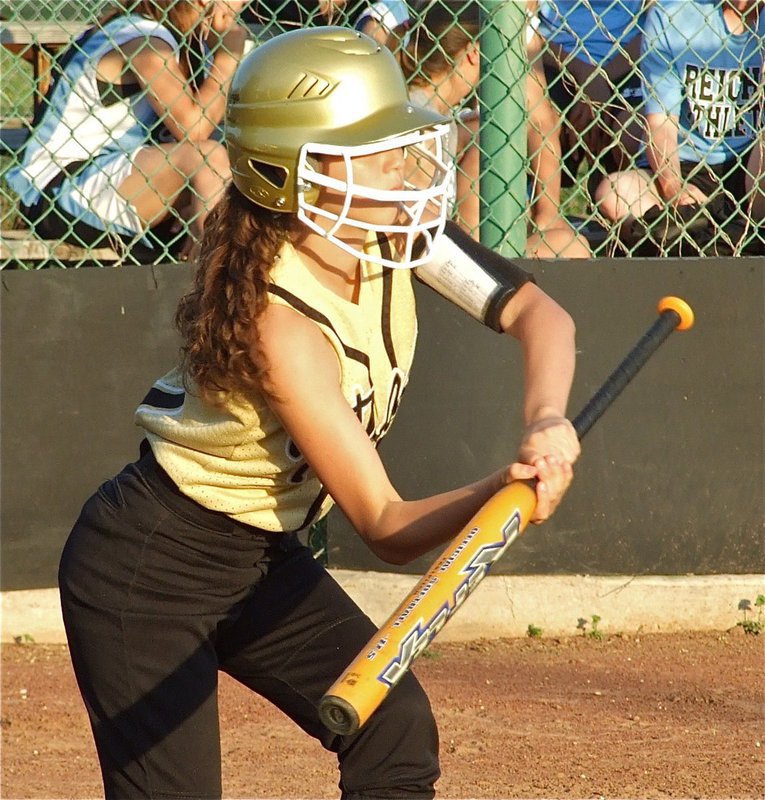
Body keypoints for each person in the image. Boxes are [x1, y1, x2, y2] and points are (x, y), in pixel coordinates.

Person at [58, 26, 580, 799]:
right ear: (295, 173)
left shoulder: (394, 229)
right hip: (151, 568)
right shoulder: (282, 322)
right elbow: (383, 521)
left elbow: (543, 317)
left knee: (392, 726)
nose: (402, 167)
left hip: (260, 557)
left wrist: (542, 420)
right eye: (374, 150)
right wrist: (504, 486)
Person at [6, 1, 247, 263]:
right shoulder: (144, 40)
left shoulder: (188, 42)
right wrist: (227, 59)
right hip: (61, 186)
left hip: (118, 178)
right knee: (208, 160)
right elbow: (194, 129)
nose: (244, 4)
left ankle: (210, 275)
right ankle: (212, 289)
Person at [398, 0, 590, 257]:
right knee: (571, 246)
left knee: (564, 240)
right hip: (443, 263)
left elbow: (540, 121)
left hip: (453, 251)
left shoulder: (432, 109)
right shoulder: (423, 128)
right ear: (475, 52)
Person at [594, 0, 765, 256]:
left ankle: (685, 239)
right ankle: (710, 239)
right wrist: (674, 186)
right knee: (614, 192)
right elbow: (660, 121)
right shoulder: (672, 15)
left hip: (753, 164)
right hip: (687, 166)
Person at [533, 0, 648, 195]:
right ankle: (540, 212)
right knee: (540, 124)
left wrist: (602, 80)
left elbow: (661, 23)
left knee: (632, 132)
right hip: (553, 57)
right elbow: (520, 29)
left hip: (628, 59)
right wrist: (584, 74)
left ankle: (618, 207)